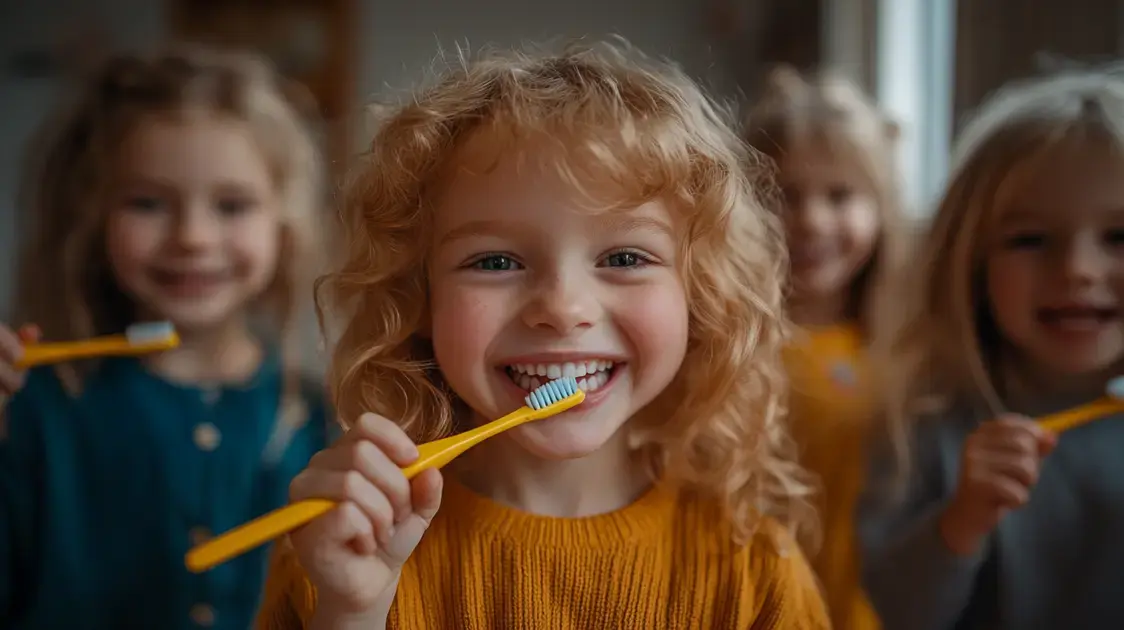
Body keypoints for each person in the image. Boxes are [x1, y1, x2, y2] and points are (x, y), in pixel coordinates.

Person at [256, 40, 829, 629]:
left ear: (702, 295)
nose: (563, 308)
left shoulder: (755, 572)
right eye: (496, 262)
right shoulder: (340, 549)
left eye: (626, 256)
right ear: (417, 298)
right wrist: (353, 612)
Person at [0, 45, 335, 630]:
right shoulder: (31, 411)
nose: (193, 237)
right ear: (93, 216)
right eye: (149, 202)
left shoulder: (317, 420)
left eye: (232, 205)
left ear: (284, 225)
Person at [858, 66, 1124, 629]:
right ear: (969, 263)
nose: (1077, 270)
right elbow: (894, 613)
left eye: (1118, 238)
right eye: (1029, 240)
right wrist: (962, 521)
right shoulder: (927, 427)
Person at [743, 65, 910, 630]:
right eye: (786, 195)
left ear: (881, 210)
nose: (811, 220)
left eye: (840, 196)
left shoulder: (904, 345)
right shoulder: (727, 342)